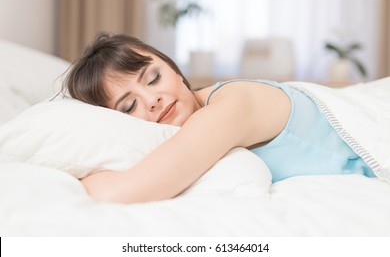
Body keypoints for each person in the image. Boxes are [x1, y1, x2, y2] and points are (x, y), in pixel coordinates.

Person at [63, 32, 376, 204]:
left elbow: (123, 193)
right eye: (129, 106)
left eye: (153, 78)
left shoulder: (229, 108)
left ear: (173, 69)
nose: (153, 99)